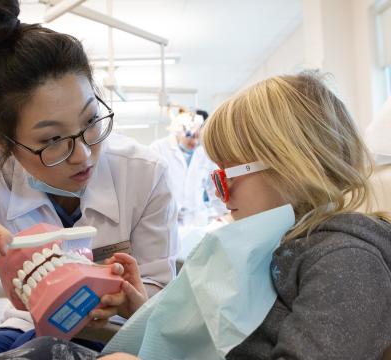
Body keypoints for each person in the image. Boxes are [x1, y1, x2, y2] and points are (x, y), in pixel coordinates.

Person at [0, 0, 177, 358]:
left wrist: (131, 298)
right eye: (52, 140)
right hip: (24, 325)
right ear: (2, 139)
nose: (83, 154)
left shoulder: (145, 173)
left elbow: (160, 296)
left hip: (117, 334)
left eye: (90, 121)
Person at [103, 71, 391, 358]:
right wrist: (146, 311)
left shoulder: (346, 261)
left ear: (291, 168)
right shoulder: (278, 247)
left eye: (228, 175)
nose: (219, 193)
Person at [150, 106, 224, 226]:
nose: (195, 142)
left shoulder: (204, 153)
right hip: (167, 220)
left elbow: (214, 187)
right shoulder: (158, 149)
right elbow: (149, 187)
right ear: (179, 131)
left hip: (198, 221)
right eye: (191, 136)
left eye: (199, 137)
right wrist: (168, 208)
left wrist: (224, 214)